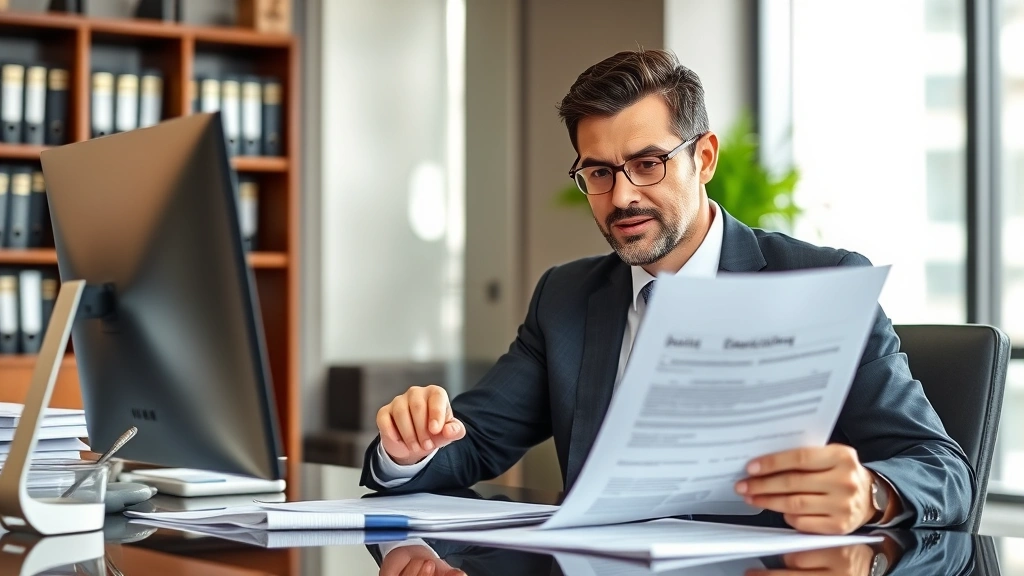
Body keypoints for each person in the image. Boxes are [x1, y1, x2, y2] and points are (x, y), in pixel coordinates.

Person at [359, 49, 974, 535]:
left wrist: (870, 491)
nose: (622, 195)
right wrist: (408, 448)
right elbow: (476, 442)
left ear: (703, 158)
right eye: (598, 172)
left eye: (648, 163)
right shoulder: (566, 297)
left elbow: (943, 471)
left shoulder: (826, 282)